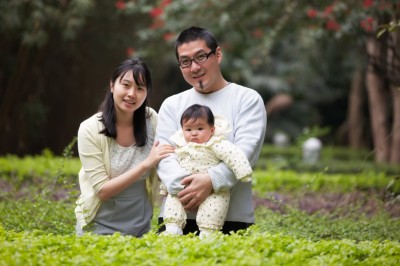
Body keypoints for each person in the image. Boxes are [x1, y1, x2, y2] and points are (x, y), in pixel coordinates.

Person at [156, 26, 267, 235]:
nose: (194, 67)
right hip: (175, 219)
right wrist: (187, 188)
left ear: (217, 54)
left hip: (232, 219)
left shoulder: (247, 99)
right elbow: (163, 155)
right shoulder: (171, 105)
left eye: (201, 57)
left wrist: (211, 181)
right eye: (186, 62)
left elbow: (246, 152)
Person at [75, 58, 174, 237]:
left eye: (140, 88)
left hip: (140, 223)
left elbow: (168, 159)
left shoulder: (151, 119)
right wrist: (146, 164)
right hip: (98, 224)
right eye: (126, 85)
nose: (132, 94)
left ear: (146, 93)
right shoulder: (89, 129)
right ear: (112, 85)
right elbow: (102, 191)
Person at [161, 104, 253, 238]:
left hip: (213, 188)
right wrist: (166, 187)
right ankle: (172, 228)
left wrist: (243, 172)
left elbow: (234, 154)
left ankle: (208, 233)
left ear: (212, 129)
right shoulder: (181, 147)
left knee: (214, 206)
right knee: (173, 200)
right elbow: (171, 166)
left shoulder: (215, 144)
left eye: (200, 128)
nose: (194, 133)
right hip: (183, 186)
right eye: (188, 129)